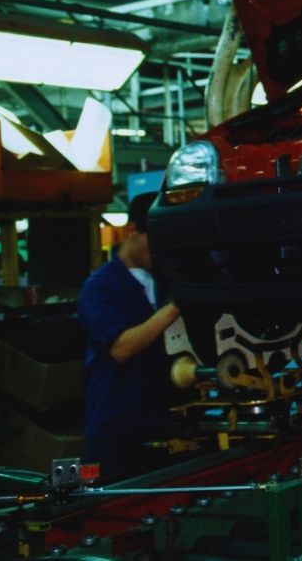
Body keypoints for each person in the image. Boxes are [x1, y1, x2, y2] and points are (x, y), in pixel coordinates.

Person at [80, 192, 182, 478]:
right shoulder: (100, 286)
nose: (163, 250)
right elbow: (121, 348)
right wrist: (175, 307)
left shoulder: (164, 281)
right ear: (132, 231)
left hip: (163, 421)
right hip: (116, 428)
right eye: (156, 239)